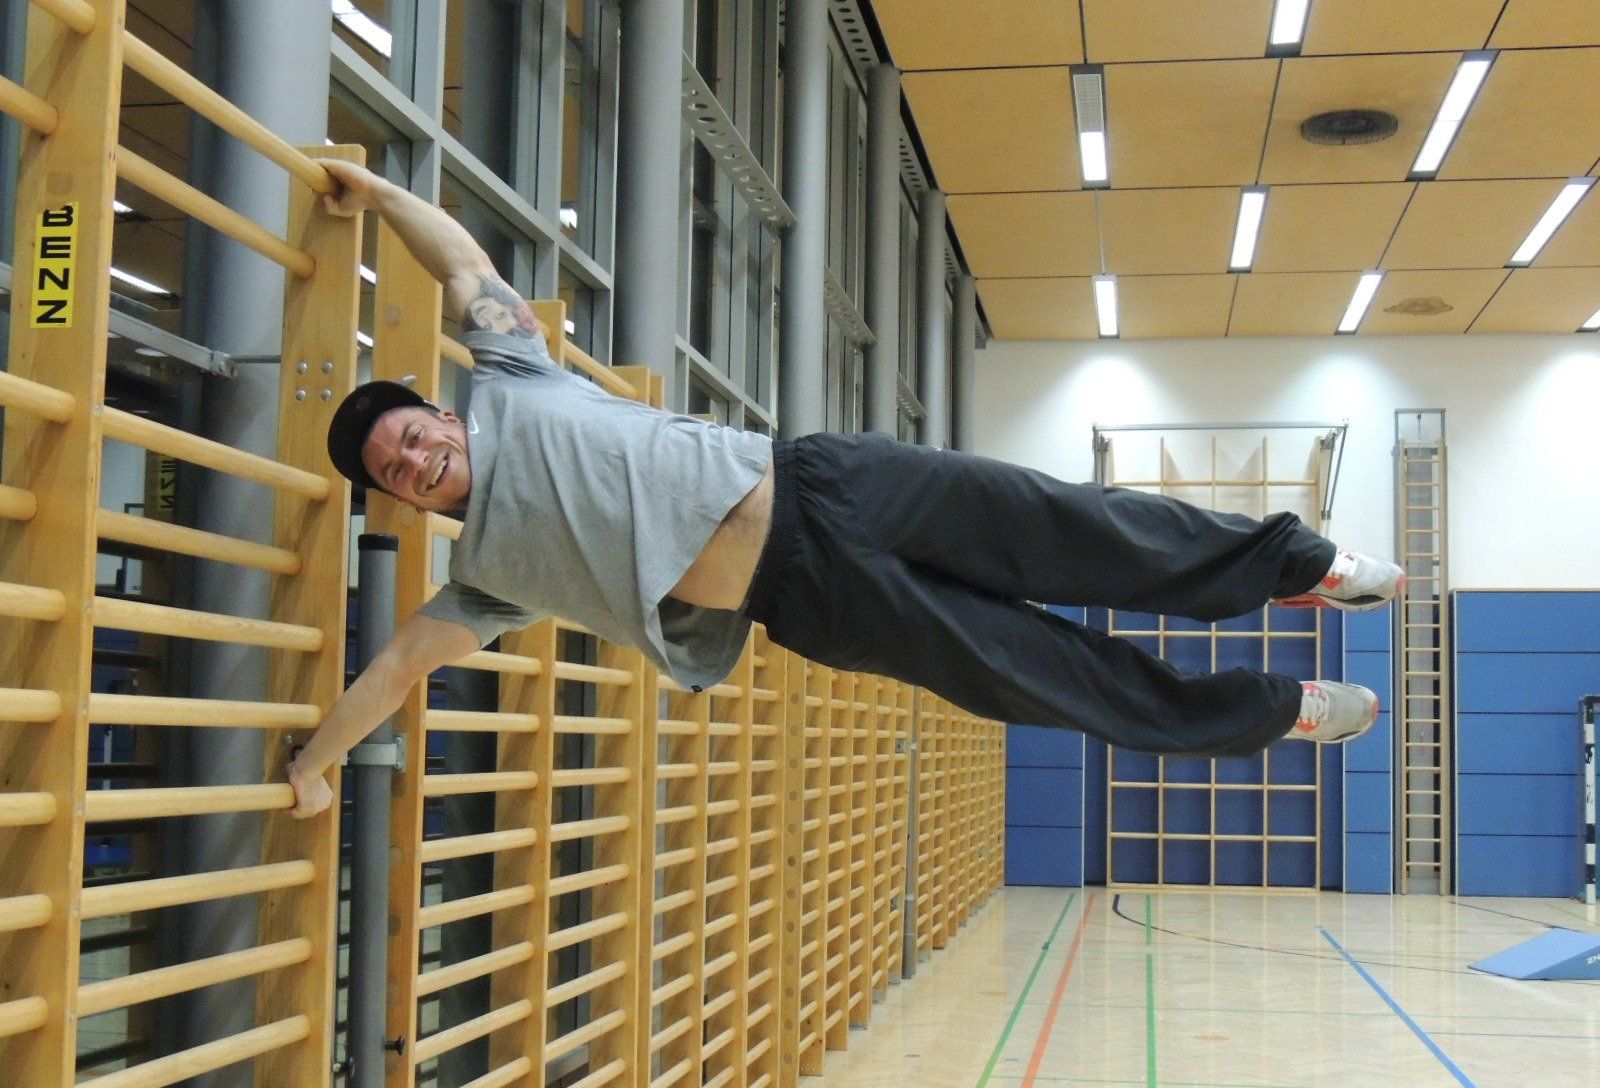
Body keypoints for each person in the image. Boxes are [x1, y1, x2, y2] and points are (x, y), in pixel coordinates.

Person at [285, 159, 1401, 819]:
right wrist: (313, 765)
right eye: (396, 474)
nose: (413, 462)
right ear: (408, 503)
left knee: (1086, 529)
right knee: (1053, 680)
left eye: (410, 438)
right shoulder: (485, 579)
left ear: (439, 416)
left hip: (838, 486)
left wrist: (378, 192)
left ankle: (1303, 565)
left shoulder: (514, 376)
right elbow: (395, 668)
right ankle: (1283, 711)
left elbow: (463, 264)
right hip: (812, 601)